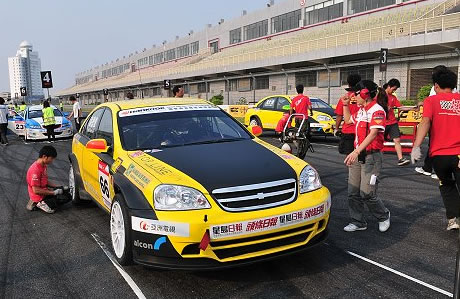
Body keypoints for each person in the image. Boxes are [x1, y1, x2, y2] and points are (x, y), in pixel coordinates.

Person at [411, 68, 460, 231]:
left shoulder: (431, 101)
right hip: (458, 154)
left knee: (446, 186)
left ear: (436, 85)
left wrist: (416, 147)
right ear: (453, 85)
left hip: (439, 156)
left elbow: (424, 123)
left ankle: (453, 220)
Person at [341, 80, 391, 232]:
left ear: (365, 94)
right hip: (358, 156)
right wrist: (345, 105)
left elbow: (373, 133)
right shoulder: (361, 111)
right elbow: (349, 120)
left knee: (367, 193)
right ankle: (358, 222)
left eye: (356, 93)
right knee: (353, 192)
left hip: (371, 157)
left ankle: (383, 216)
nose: (353, 96)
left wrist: (356, 151)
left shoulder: (377, 111)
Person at [26, 146, 65, 214]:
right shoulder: (35, 170)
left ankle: (39, 201)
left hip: (44, 192)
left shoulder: (43, 166)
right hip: (39, 195)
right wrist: (54, 192)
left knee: (66, 195)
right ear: (44, 156)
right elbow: (36, 190)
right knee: (57, 204)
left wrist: (58, 187)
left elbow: (45, 181)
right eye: (51, 158)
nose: (52, 161)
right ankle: (39, 203)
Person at [383, 79, 410, 166]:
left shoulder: (393, 98)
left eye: (395, 90)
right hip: (382, 122)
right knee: (377, 142)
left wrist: (413, 108)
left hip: (392, 122)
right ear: (389, 86)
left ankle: (401, 159)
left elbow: (401, 107)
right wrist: (384, 108)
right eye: (393, 89)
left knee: (397, 140)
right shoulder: (379, 96)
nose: (394, 91)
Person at [335, 74, 361, 155]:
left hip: (348, 131)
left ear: (348, 84)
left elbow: (339, 115)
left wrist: (336, 128)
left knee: (349, 157)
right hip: (361, 130)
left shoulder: (344, 98)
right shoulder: (363, 98)